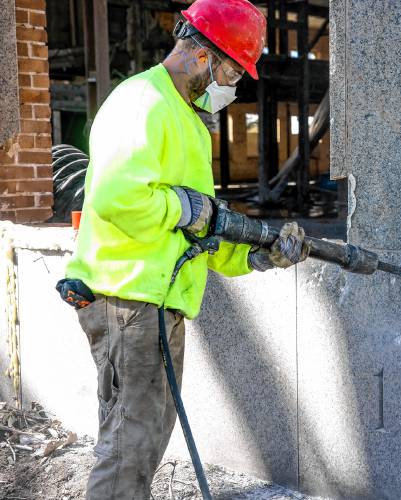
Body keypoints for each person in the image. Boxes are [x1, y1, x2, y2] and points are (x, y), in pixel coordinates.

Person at [56, 0, 310, 497]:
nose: (233, 86)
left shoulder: (185, 118)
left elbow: (202, 232)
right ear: (202, 56)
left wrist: (259, 256)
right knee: (130, 447)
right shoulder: (144, 103)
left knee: (144, 439)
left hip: (153, 303)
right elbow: (115, 197)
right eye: (233, 70)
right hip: (128, 302)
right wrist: (184, 206)